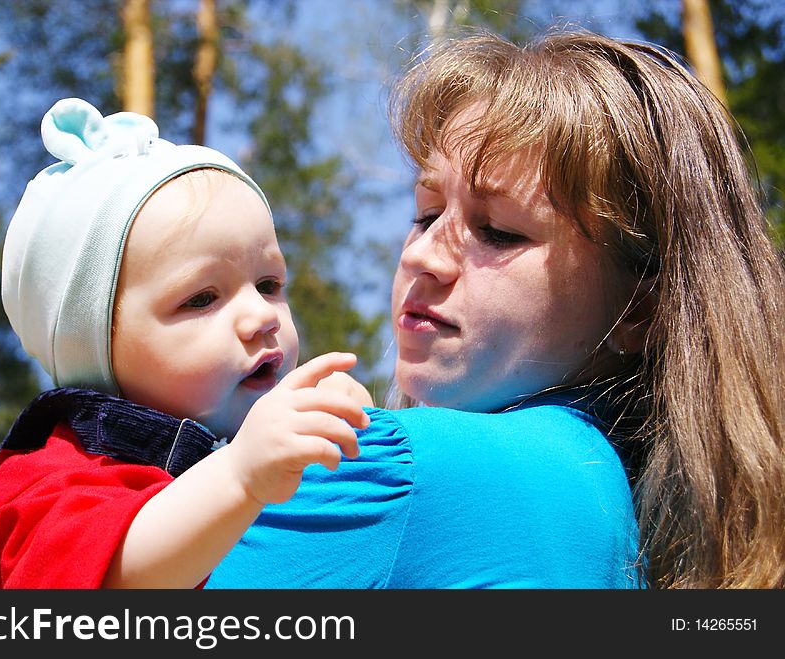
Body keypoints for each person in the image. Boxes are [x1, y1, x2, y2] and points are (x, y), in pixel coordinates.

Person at [203, 27, 784, 589]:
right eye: (426, 214)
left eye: (499, 232)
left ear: (640, 311)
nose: (424, 255)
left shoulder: (395, 470)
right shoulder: (654, 527)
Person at [0, 97, 372, 589]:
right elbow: (108, 585)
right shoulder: (48, 480)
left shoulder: (255, 449)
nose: (261, 314)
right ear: (97, 349)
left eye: (268, 284)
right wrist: (239, 476)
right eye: (201, 298)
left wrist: (342, 430)